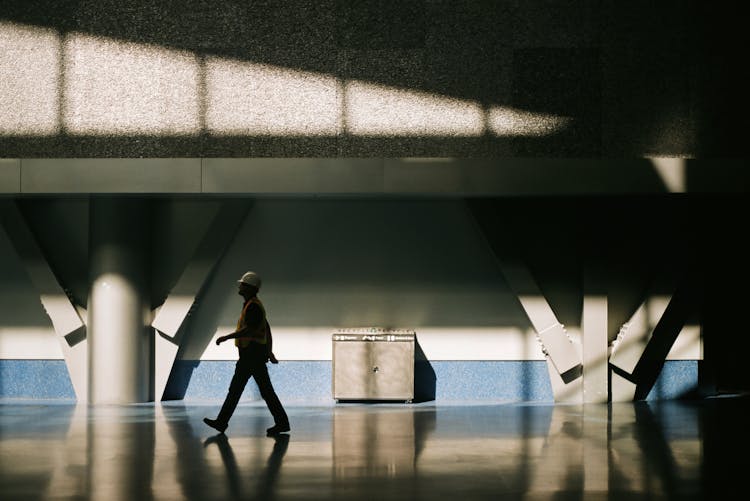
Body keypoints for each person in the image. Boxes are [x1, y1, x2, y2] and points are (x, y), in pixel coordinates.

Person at [204, 271, 290, 436]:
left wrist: (226, 337)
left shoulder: (253, 307)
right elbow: (267, 328)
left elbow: (249, 329)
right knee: (257, 391)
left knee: (241, 390)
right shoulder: (251, 305)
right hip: (251, 355)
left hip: (252, 356)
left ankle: (222, 422)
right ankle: (281, 422)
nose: (240, 286)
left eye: (243, 284)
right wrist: (270, 351)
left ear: (250, 288)